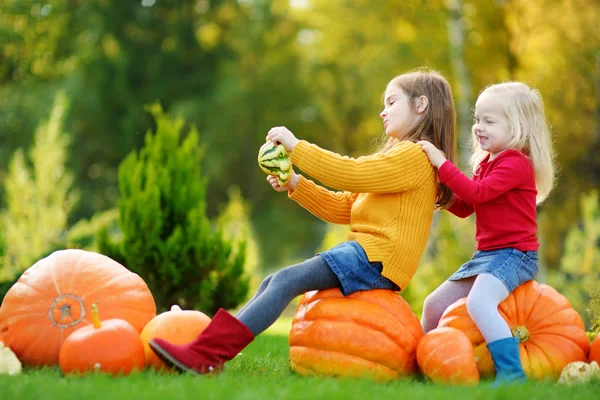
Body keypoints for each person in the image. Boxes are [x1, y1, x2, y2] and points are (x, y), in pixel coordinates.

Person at [149, 69, 457, 375]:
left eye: (391, 102)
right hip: (369, 255)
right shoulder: (403, 158)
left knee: (284, 281)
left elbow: (349, 172)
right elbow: (344, 208)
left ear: (420, 106)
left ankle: (204, 356)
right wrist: (296, 184)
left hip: (377, 258)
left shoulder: (414, 157)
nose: (382, 111)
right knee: (275, 281)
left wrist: (297, 147)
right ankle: (205, 354)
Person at [417, 81, 556, 384]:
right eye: (478, 119)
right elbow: (467, 205)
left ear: (517, 127)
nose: (479, 127)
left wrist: (442, 163)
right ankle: (420, 363)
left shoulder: (516, 163)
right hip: (487, 257)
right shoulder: (488, 163)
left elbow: (477, 194)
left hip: (515, 256)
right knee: (434, 305)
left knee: (479, 303)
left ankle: (512, 373)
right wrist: (435, 195)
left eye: (489, 121)